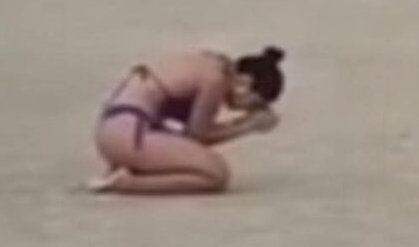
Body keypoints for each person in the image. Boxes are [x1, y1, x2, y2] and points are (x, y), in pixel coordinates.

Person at [87, 47, 285, 195]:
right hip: (130, 133)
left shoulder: (208, 63)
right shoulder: (216, 78)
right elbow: (197, 135)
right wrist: (247, 126)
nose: (245, 109)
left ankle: (130, 170)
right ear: (245, 82)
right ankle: (125, 183)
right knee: (215, 174)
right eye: (252, 102)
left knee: (202, 163)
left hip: (116, 128)